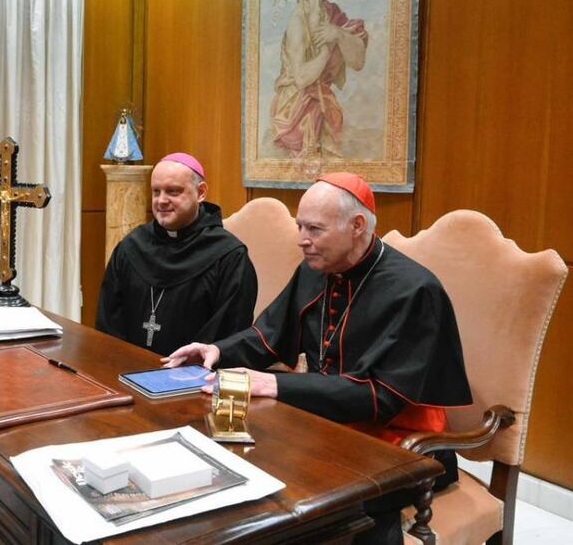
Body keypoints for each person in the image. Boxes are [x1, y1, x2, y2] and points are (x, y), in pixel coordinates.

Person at [164, 172, 472, 544]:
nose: (302, 240)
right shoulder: (316, 267)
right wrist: (218, 350)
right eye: (299, 226)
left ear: (357, 226)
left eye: (315, 229)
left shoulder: (414, 290)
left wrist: (277, 384)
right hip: (327, 425)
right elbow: (271, 335)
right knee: (233, 468)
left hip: (400, 440)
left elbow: (381, 397)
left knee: (318, 513)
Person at [96, 153, 258, 356]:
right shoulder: (131, 246)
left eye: (173, 191)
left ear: (201, 192)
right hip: (125, 372)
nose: (161, 201)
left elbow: (229, 333)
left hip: (193, 379)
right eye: (156, 191)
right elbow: (109, 321)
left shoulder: (229, 256)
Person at [270, 0, 367, 159]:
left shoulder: (333, 14)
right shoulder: (299, 20)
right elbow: (302, 78)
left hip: (323, 104)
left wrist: (338, 34)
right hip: (295, 109)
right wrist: (324, 52)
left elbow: (358, 61)